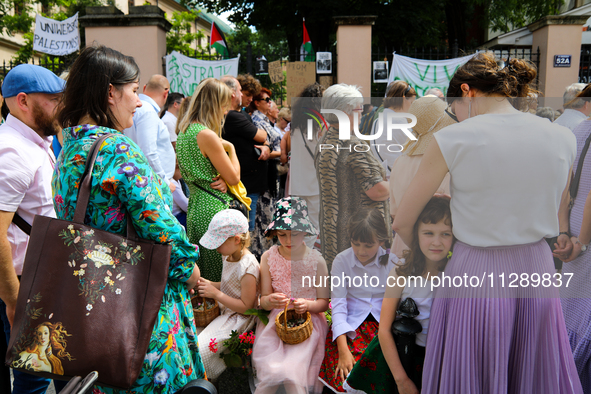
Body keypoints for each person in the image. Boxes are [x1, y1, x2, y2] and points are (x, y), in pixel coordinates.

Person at [393, 52, 583, 393]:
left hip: (475, 267)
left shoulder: (453, 139)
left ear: (467, 91)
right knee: (533, 371)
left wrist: (428, 256)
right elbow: (562, 204)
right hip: (537, 267)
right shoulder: (562, 136)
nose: (456, 117)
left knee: (472, 372)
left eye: (454, 109)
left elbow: (403, 221)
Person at [53, 45, 205, 392]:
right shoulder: (117, 149)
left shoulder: (71, 149)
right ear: (111, 92)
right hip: (138, 305)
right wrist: (189, 268)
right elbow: (157, 224)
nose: (139, 102)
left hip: (92, 300)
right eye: (134, 91)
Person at [0, 63, 65, 393]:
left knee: (37, 375)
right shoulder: (11, 151)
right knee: (32, 382)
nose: (61, 106)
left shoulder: (35, 142)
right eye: (54, 99)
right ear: (23, 101)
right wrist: (14, 300)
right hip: (20, 285)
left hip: (35, 279)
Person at [347, 196, 453, 394]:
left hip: (439, 362)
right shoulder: (401, 274)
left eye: (445, 234)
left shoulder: (457, 274)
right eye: (428, 233)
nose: (436, 242)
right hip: (399, 360)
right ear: (416, 234)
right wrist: (401, 380)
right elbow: (384, 330)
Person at [252, 197, 329, 394]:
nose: (287, 240)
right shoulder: (268, 257)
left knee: (292, 372)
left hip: (307, 323)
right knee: (271, 370)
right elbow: (264, 299)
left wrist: (308, 305)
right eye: (282, 234)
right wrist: (269, 300)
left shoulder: (317, 261)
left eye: (294, 234)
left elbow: (323, 302)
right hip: (275, 323)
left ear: (304, 231)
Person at [318, 209, 394, 392]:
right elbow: (338, 306)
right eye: (356, 243)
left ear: (381, 240)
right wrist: (343, 350)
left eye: (368, 245)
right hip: (349, 327)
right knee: (343, 373)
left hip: (381, 327)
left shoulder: (393, 263)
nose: (361, 251)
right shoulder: (342, 261)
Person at [316, 83, 391, 270]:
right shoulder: (352, 144)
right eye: (360, 109)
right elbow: (377, 191)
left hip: (335, 229)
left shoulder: (326, 138)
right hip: (361, 234)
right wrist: (399, 183)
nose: (362, 114)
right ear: (345, 112)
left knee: (342, 284)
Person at [177, 78, 241, 282]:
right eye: (224, 105)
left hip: (195, 207)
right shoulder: (206, 135)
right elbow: (234, 177)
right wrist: (231, 148)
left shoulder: (184, 131)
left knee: (202, 273)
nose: (225, 111)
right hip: (213, 209)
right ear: (214, 104)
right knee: (219, 275)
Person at [195, 209, 260, 381]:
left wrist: (216, 294)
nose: (216, 247)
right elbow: (228, 286)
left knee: (202, 348)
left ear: (237, 240)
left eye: (219, 243)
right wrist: (209, 284)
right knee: (191, 334)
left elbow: (247, 308)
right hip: (226, 308)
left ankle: (205, 380)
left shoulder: (248, 267)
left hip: (239, 318)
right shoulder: (229, 254)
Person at [556, 84, 591, 392]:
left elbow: (563, 191)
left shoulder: (578, 132)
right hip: (584, 242)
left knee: (570, 322)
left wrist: (565, 232)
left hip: (575, 242)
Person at [389, 96, 455, 258]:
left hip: (402, 246)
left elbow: (394, 214)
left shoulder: (401, 160)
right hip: (436, 249)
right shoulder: (444, 163)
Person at [220, 75, 270, 232]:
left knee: (250, 229)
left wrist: (266, 146)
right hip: (244, 184)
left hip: (249, 183)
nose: (245, 97)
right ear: (233, 93)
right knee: (245, 231)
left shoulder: (240, 114)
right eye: (243, 92)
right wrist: (265, 141)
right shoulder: (232, 116)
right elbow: (261, 135)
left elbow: (264, 139)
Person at [123, 74, 176, 191]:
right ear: (166, 93)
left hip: (148, 180)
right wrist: (165, 181)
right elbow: (148, 151)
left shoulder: (141, 109)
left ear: (144, 88)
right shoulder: (147, 111)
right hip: (155, 183)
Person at [290, 83, 324, 248]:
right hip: (313, 184)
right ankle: (305, 262)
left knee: (298, 228)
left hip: (297, 183)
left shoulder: (295, 125)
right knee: (312, 227)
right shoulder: (316, 125)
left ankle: (297, 259)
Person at [250, 87, 282, 261]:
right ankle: (264, 259)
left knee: (268, 217)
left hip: (271, 173)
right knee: (264, 220)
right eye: (266, 99)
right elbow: (263, 152)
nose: (270, 102)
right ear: (257, 102)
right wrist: (283, 153)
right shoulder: (256, 121)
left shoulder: (267, 122)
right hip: (264, 175)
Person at [369, 80, 417, 178]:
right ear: (404, 99)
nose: (412, 107)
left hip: (385, 176)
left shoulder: (377, 121)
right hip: (400, 178)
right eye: (412, 102)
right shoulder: (398, 121)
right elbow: (417, 149)